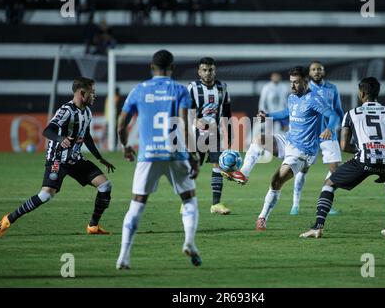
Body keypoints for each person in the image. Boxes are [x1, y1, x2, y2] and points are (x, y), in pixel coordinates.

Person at [0, 77, 116, 237]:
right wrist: (61, 139)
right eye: (92, 93)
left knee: (105, 186)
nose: (94, 96)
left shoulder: (86, 112)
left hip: (75, 159)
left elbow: (86, 136)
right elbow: (47, 131)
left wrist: (100, 158)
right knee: (45, 195)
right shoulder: (65, 111)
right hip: (57, 159)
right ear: (82, 93)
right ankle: (8, 219)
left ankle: (93, 226)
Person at [223, 67, 339, 230]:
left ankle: (262, 217)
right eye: (291, 82)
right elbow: (287, 112)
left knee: (276, 180)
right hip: (288, 140)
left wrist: (330, 129)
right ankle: (243, 174)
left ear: (305, 82)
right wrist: (268, 116)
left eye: (296, 82)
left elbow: (333, 115)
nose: (292, 86)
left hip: (303, 151)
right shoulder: (292, 97)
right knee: (259, 139)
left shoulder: (315, 99)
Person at [116, 50, 201, 269]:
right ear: (172, 68)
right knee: (189, 200)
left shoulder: (138, 90)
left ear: (151, 67)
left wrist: (126, 147)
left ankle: (124, 256)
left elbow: (121, 125)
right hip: (175, 153)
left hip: (148, 155)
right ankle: (189, 242)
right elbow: (184, 123)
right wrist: (192, 155)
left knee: (137, 204)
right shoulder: (180, 90)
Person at [300, 77, 385, 239]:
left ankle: (318, 227)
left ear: (362, 93)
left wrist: (360, 150)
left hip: (364, 160)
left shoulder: (352, 114)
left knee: (329, 183)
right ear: (377, 93)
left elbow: (344, 146)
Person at [289, 61, 344, 215]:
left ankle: (325, 202)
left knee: (335, 169)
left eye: (319, 69)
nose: (317, 71)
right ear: (309, 74)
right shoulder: (305, 89)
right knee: (303, 170)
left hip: (328, 133)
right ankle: (295, 204)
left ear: (324, 72)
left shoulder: (332, 88)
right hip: (310, 135)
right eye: (313, 69)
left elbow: (338, 110)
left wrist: (337, 127)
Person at [188, 57, 233, 215]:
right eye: (204, 70)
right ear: (199, 72)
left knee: (218, 167)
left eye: (210, 70)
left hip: (215, 134)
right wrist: (195, 121)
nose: (208, 73)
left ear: (215, 71)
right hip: (196, 135)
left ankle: (216, 204)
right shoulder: (192, 88)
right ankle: (186, 203)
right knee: (194, 168)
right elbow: (186, 111)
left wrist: (230, 136)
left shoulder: (222, 87)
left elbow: (227, 113)